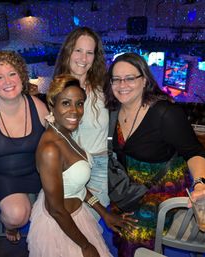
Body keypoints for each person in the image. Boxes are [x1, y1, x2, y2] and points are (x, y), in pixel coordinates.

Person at [104, 52, 205, 257]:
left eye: (130, 78)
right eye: (116, 79)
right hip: (130, 190)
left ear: (144, 79)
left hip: (163, 193)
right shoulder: (112, 111)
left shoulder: (165, 113)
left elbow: (195, 151)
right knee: (120, 226)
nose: (123, 84)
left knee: (133, 233)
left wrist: (201, 184)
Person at [27, 74, 136, 257]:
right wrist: (85, 246)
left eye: (79, 104)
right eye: (66, 103)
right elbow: (56, 210)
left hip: (77, 217)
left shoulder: (64, 134)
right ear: (52, 104)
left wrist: (104, 213)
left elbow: (77, 187)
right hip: (60, 227)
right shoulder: (50, 149)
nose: (75, 111)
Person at [0, 50, 48, 243]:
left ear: (21, 76)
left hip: (34, 173)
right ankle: (9, 226)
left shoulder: (37, 106)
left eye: (12, 74)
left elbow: (56, 140)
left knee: (52, 216)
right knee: (17, 215)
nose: (8, 82)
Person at [53, 27, 109, 220]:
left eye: (89, 52)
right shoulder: (55, 90)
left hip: (99, 164)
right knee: (68, 222)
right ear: (68, 51)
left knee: (90, 222)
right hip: (68, 167)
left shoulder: (104, 88)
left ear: (95, 58)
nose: (83, 58)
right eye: (78, 50)